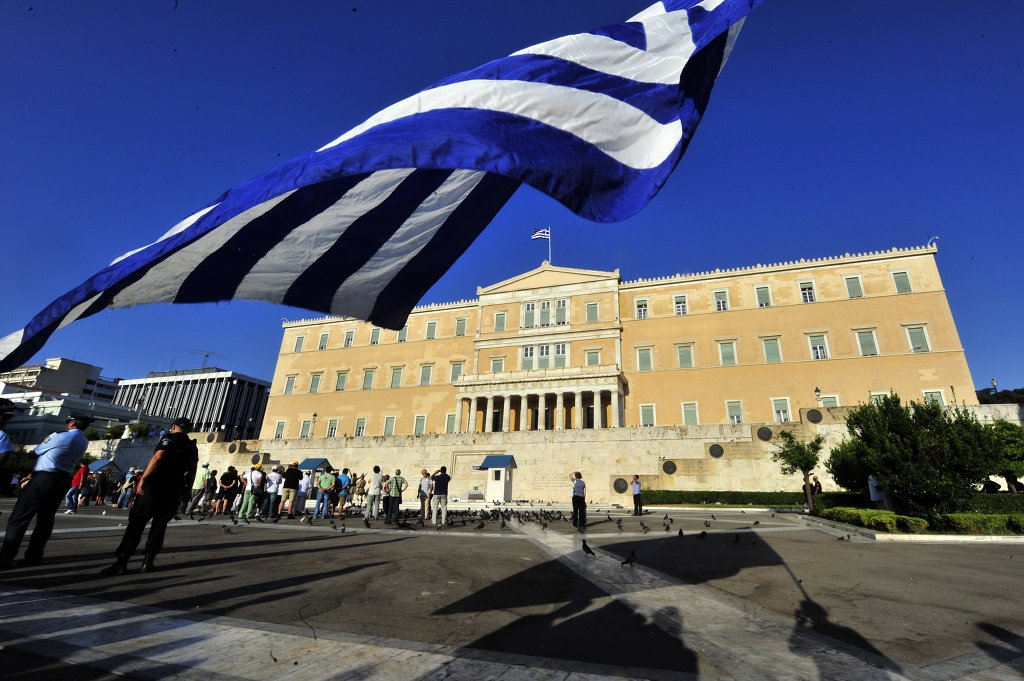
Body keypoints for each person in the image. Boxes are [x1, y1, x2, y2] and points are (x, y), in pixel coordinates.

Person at [99, 417, 198, 575]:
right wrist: (187, 490)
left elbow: (158, 457)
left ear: (173, 426)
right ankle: (148, 561)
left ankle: (122, 562)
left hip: (155, 486)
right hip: (174, 489)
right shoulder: (192, 446)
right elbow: (192, 470)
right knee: (159, 525)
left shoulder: (169, 438)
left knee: (137, 523)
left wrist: (143, 478)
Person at [0, 415, 93, 569]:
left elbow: (34, 453)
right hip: (62, 479)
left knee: (19, 518)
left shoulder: (59, 436)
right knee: (45, 520)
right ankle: (34, 556)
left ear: (73, 423)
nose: (66, 426)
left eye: (68, 423)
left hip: (44, 478)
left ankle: (5, 557)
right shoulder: (84, 441)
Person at [0, 398, 16, 466]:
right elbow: (4, 454)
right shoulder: (1, 435)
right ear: (1, 417)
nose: (9, 421)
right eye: (9, 417)